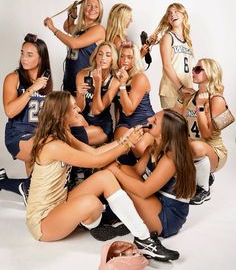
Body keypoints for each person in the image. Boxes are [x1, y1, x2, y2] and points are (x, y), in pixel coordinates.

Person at [26, 90, 179, 262]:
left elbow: (95, 152)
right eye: (74, 107)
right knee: (92, 203)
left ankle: (144, 239)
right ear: (61, 114)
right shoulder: (53, 146)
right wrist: (128, 144)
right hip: (43, 222)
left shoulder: (63, 134)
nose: (78, 110)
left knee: (105, 177)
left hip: (60, 203)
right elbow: (96, 161)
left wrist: (125, 139)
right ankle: (91, 222)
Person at [108, 109, 196, 238]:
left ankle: (109, 212)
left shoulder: (170, 159)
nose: (148, 120)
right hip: (156, 202)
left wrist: (114, 170)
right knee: (123, 170)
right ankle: (117, 213)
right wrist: (120, 157)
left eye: (154, 121)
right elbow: (135, 172)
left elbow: (144, 191)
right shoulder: (152, 148)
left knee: (118, 174)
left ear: (164, 133)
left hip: (167, 218)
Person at [1, 33, 53, 201]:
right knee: (47, 147)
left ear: (41, 58)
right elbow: (9, 111)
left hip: (37, 136)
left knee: (37, 193)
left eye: (29, 55)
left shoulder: (46, 81)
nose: (23, 58)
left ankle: (6, 183)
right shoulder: (13, 78)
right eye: (22, 52)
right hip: (17, 137)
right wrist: (32, 89)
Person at [175, 58, 227, 205]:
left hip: (214, 152)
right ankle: (202, 175)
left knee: (195, 146)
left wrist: (200, 106)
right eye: (193, 69)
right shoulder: (193, 96)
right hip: (192, 150)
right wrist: (182, 99)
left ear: (210, 73)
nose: (193, 72)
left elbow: (207, 134)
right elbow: (179, 121)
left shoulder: (218, 99)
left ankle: (204, 189)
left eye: (198, 69)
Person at [44, 0, 105, 95]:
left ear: (100, 11)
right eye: (89, 5)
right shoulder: (81, 28)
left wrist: (53, 28)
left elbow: (74, 44)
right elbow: (67, 27)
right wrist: (72, 16)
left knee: (80, 110)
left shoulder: (99, 30)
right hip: (70, 77)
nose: (92, 9)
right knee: (67, 109)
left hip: (85, 81)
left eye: (96, 6)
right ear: (83, 8)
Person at [114, 42, 155, 162]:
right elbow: (118, 107)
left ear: (135, 59)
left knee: (139, 148)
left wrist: (122, 85)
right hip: (125, 122)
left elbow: (128, 110)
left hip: (143, 121)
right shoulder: (118, 75)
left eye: (129, 57)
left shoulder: (139, 77)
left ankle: (149, 174)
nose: (125, 60)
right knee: (119, 149)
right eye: (122, 56)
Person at [149, 3, 195, 109]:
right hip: (171, 89)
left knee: (186, 124)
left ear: (184, 15)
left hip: (187, 89)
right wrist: (181, 88)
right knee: (174, 125)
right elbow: (167, 66)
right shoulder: (168, 37)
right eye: (169, 13)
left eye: (176, 11)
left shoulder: (188, 41)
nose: (172, 14)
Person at [75, 41, 120, 145]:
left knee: (76, 136)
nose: (103, 58)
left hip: (101, 125)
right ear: (95, 56)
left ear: (112, 59)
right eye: (100, 54)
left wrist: (98, 84)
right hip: (83, 120)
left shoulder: (114, 82)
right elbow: (79, 108)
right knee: (64, 131)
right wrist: (80, 94)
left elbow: (96, 110)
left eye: (108, 55)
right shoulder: (82, 75)